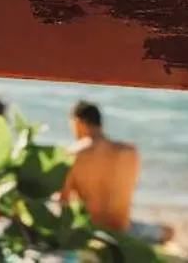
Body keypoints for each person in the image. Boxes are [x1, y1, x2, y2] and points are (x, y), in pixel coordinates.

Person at [60, 102, 172, 246]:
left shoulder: (72, 155)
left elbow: (63, 202)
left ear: (78, 122)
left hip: (91, 232)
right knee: (169, 231)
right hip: (124, 231)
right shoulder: (130, 152)